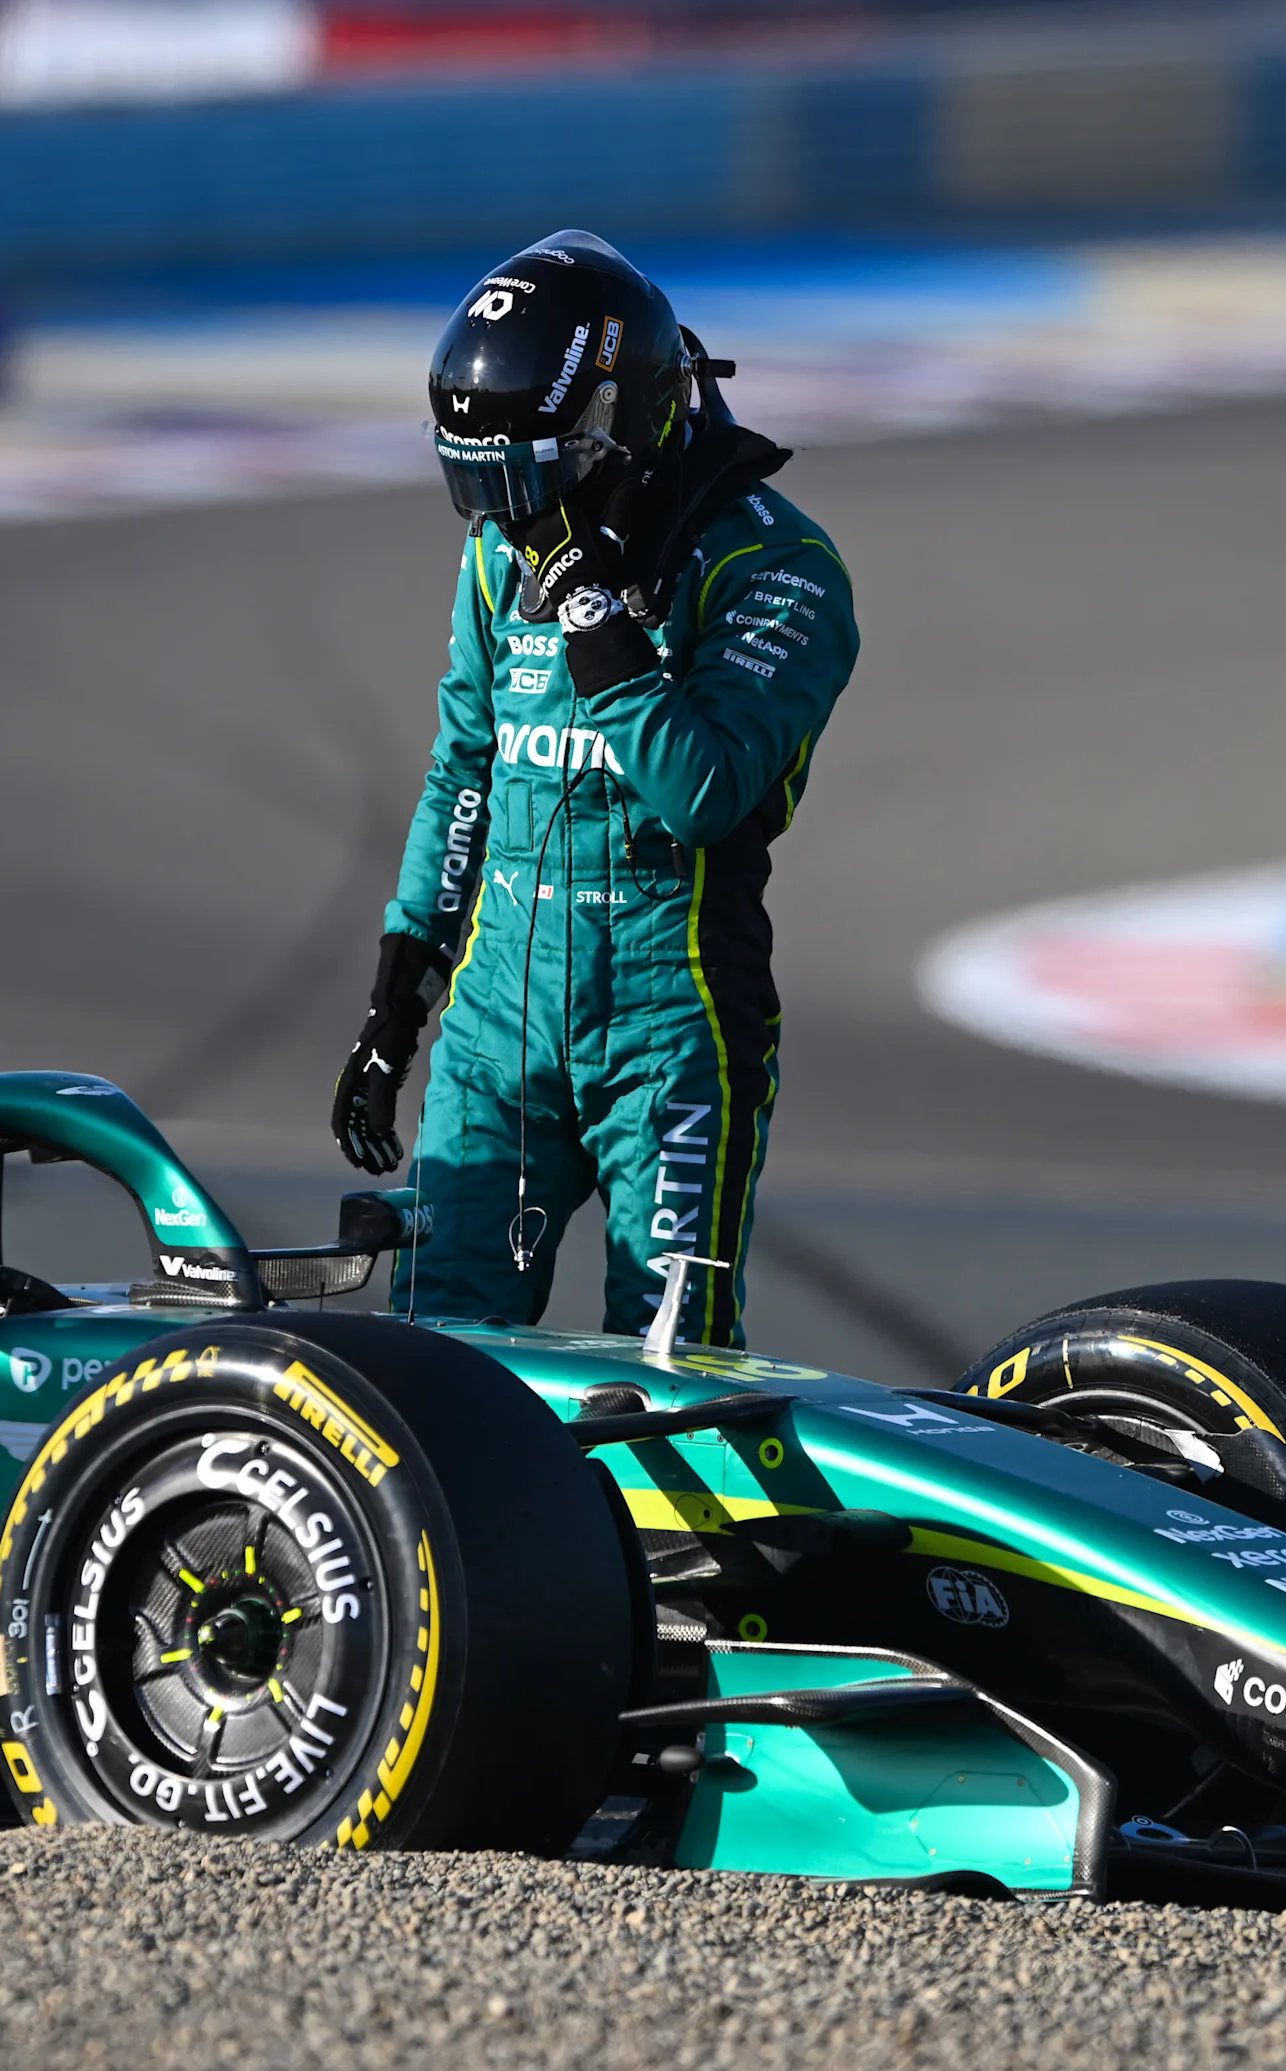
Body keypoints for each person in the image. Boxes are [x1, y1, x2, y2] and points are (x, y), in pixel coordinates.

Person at [329, 230, 858, 1348]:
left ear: (620, 427)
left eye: (526, 479)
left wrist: (596, 622)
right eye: (478, 483)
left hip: (670, 1026)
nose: (505, 518)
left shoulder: (773, 569)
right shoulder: (496, 555)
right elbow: (462, 768)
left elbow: (703, 790)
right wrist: (393, 1006)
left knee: (669, 1379)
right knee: (430, 1360)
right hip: (492, 1029)